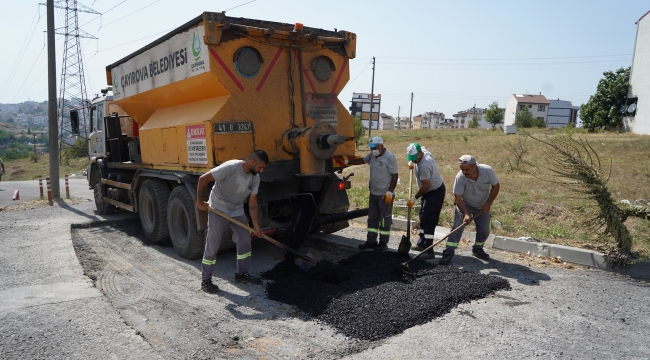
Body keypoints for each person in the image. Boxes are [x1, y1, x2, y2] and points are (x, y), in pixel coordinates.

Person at [196, 150, 269, 293]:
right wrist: (199, 201)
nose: (261, 171)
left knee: (245, 240)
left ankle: (242, 274)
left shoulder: (255, 177)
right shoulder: (230, 167)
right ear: (252, 162)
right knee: (213, 243)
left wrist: (256, 226)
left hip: (236, 210)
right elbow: (203, 179)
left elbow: (253, 204)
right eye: (261, 167)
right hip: (218, 208)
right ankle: (206, 280)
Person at [439, 155, 500, 265]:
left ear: (475, 166)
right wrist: (466, 214)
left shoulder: (487, 171)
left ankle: (477, 248)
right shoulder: (460, 177)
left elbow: (496, 186)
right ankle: (448, 252)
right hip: (465, 204)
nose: (464, 172)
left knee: (484, 230)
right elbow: (457, 198)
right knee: (457, 227)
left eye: (467, 169)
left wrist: (488, 204)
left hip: (482, 206)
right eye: (462, 169)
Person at [347, 136, 398, 252]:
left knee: (384, 219)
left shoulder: (389, 158)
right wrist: (348, 162)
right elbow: (361, 160)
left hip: (385, 195)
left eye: (374, 148)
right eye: (371, 148)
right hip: (374, 194)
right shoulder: (372, 156)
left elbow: (395, 177)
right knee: (372, 219)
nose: (372, 150)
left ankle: (383, 243)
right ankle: (371, 241)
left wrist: (390, 192)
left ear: (381, 146)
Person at [405, 143, 446, 258]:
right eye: (411, 158)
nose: (414, 160)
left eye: (414, 158)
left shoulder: (424, 165)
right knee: (423, 217)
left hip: (435, 191)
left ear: (420, 154)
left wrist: (414, 198)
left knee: (429, 220)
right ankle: (422, 243)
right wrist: (412, 162)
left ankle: (428, 250)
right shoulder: (422, 151)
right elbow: (423, 146)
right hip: (428, 192)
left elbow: (425, 186)